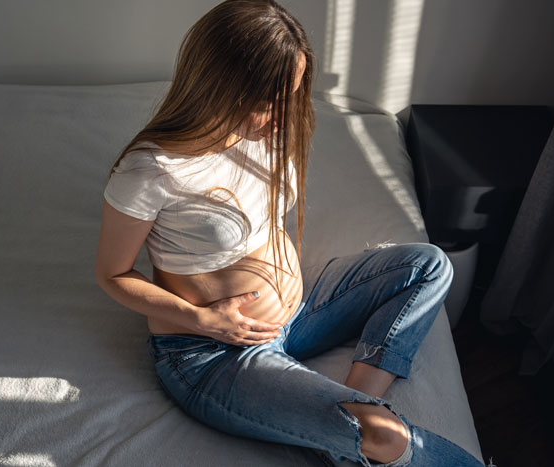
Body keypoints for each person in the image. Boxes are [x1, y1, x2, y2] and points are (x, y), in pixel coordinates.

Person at [94, 1, 485, 466]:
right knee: (383, 436)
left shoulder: (269, 134)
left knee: (428, 264)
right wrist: (203, 320)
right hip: (215, 353)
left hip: (300, 315)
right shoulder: (152, 169)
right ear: (220, 87)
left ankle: (351, 400)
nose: (284, 115)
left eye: (293, 94)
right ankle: (359, 426)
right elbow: (113, 274)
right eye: (267, 102)